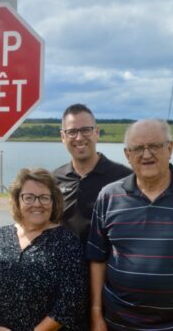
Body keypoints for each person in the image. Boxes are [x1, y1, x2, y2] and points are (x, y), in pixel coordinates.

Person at [87, 119, 173, 331]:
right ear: (127, 155)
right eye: (138, 148)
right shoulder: (109, 196)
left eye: (154, 146)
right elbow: (97, 259)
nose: (146, 154)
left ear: (170, 148)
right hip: (118, 325)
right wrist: (96, 314)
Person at [0, 168, 89, 331]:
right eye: (29, 197)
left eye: (44, 198)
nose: (37, 204)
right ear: (17, 200)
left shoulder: (67, 243)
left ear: (54, 202)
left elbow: (70, 302)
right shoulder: (0, 236)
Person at [54, 104, 132, 243]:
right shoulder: (54, 179)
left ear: (97, 132)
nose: (79, 138)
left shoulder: (125, 178)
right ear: (63, 136)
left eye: (86, 130)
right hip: (63, 263)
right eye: (72, 131)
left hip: (108, 263)